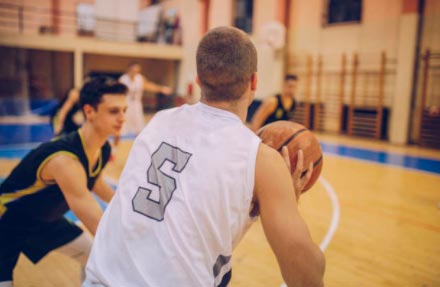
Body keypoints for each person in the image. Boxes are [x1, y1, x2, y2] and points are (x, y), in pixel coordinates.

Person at [85, 27, 325, 287]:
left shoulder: (159, 121)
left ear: (198, 79)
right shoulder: (261, 160)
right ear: (254, 82)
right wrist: (285, 200)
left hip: (99, 277)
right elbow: (307, 277)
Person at [0, 77, 128, 286]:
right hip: (7, 221)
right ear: (89, 111)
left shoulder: (101, 149)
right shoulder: (64, 161)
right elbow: (96, 222)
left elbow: (94, 182)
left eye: (124, 110)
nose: (123, 118)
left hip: (43, 220)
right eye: (114, 111)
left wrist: (131, 209)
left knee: (91, 254)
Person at [119, 62, 172, 135]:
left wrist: (162, 89)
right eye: (133, 70)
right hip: (126, 104)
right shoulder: (123, 79)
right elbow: (118, 93)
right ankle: (116, 144)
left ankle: (139, 143)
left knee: (139, 125)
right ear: (129, 70)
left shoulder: (140, 78)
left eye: (137, 71)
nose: (135, 72)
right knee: (122, 125)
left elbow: (149, 86)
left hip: (136, 104)